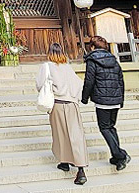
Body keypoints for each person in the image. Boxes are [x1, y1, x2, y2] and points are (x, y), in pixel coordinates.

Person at [38, 42, 89, 186]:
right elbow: (78, 84)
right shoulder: (68, 67)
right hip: (72, 104)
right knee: (76, 135)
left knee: (60, 134)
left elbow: (40, 85)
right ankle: (78, 167)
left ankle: (66, 162)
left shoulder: (46, 66)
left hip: (58, 104)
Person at [81, 35, 130, 171]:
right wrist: (121, 99)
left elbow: (89, 81)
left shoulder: (92, 61)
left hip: (102, 100)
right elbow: (121, 81)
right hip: (115, 99)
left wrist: (84, 97)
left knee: (104, 128)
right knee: (111, 127)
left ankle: (120, 155)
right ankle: (117, 159)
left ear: (92, 47)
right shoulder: (114, 60)